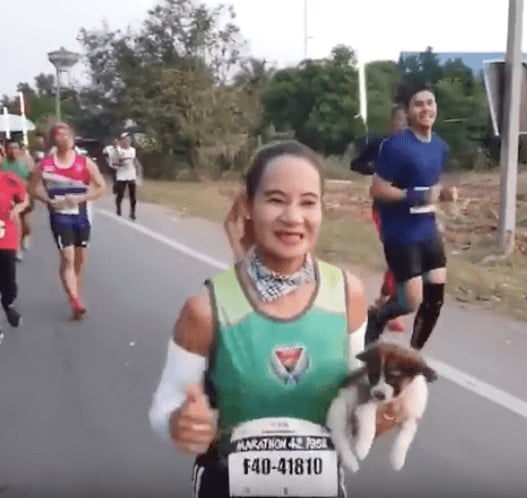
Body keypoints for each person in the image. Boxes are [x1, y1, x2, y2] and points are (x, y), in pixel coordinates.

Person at [148, 141, 407, 498]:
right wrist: (183, 424)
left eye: (307, 202)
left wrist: (379, 416)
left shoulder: (348, 294)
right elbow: (165, 409)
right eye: (275, 199)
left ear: (320, 210)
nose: (293, 217)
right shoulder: (205, 310)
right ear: (248, 206)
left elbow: (351, 400)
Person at [366, 83, 455, 350]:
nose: (426, 108)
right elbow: (377, 189)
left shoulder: (440, 147)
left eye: (430, 102)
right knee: (410, 302)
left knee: (435, 298)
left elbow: (431, 186)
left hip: (427, 229)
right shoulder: (397, 146)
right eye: (419, 104)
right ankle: (377, 317)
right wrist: (416, 196)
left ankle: (415, 354)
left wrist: (445, 194)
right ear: (408, 111)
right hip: (401, 233)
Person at [28, 122, 106, 320]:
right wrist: (48, 200)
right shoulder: (45, 165)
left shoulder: (84, 163)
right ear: (54, 140)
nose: (66, 138)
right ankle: (75, 301)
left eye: (69, 135)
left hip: (82, 213)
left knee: (80, 259)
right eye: (60, 135)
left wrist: (80, 198)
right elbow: (32, 188)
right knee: (68, 257)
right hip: (60, 216)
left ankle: (75, 291)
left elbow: (101, 187)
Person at [350, 105, 408, 333]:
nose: (405, 126)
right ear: (392, 123)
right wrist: (375, 167)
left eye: (409, 121)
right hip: (384, 209)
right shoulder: (381, 144)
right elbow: (356, 164)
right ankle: (390, 306)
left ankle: (385, 299)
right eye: (401, 121)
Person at [0, 168, 29, 337]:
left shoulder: (9, 179)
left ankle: (8, 304)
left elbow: (24, 199)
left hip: (6, 237)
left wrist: (17, 208)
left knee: (8, 280)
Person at [1, 139, 34, 260]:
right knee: (15, 222)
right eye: (11, 148)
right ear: (6, 150)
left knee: (26, 223)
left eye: (16, 148)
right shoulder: (3, 163)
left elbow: (32, 178)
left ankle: (26, 235)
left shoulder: (26, 160)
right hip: (9, 197)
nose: (13, 150)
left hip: (24, 194)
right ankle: (17, 248)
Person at [111, 132, 138, 220]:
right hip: (121, 174)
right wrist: (121, 162)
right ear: (122, 141)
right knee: (121, 194)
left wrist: (134, 168)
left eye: (129, 140)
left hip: (131, 174)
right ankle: (118, 207)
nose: (127, 142)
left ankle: (132, 212)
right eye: (125, 140)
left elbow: (134, 161)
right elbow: (113, 162)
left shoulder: (133, 150)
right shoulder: (118, 150)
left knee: (132, 195)